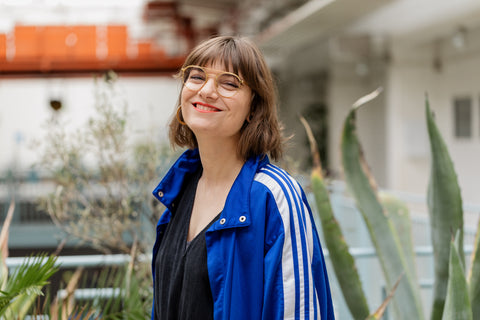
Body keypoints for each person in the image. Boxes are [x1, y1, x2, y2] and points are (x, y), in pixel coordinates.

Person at [151, 35, 335, 320]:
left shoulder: (274, 196)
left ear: (253, 108)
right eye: (197, 76)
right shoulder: (180, 190)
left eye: (229, 83)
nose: (208, 91)